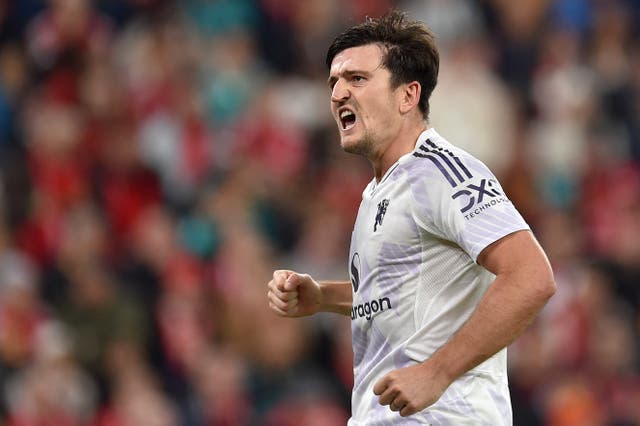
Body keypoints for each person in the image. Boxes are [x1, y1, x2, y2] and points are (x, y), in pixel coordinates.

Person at [267, 10, 556, 425]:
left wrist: (437, 372)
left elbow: (531, 276)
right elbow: (407, 294)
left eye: (357, 79)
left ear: (408, 96)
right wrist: (322, 296)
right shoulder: (379, 191)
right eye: (334, 82)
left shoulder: (441, 171)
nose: (338, 93)